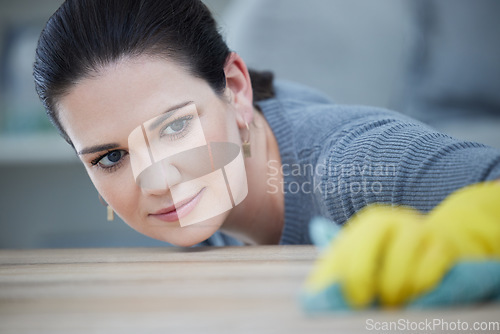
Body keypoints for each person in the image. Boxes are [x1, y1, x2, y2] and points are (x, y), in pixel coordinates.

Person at [33, 0, 500, 248]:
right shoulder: (200, 216)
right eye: (111, 156)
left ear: (235, 90)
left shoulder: (352, 168)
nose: (158, 180)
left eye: (173, 127)